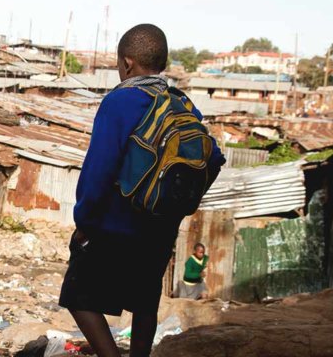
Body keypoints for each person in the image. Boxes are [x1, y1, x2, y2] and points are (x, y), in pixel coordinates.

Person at [58, 24, 225, 357]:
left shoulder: (121, 101)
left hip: (116, 226)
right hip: (160, 229)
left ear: (127, 63)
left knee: (77, 296)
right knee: (144, 303)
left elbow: (99, 170)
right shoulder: (181, 105)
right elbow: (214, 157)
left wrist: (85, 222)